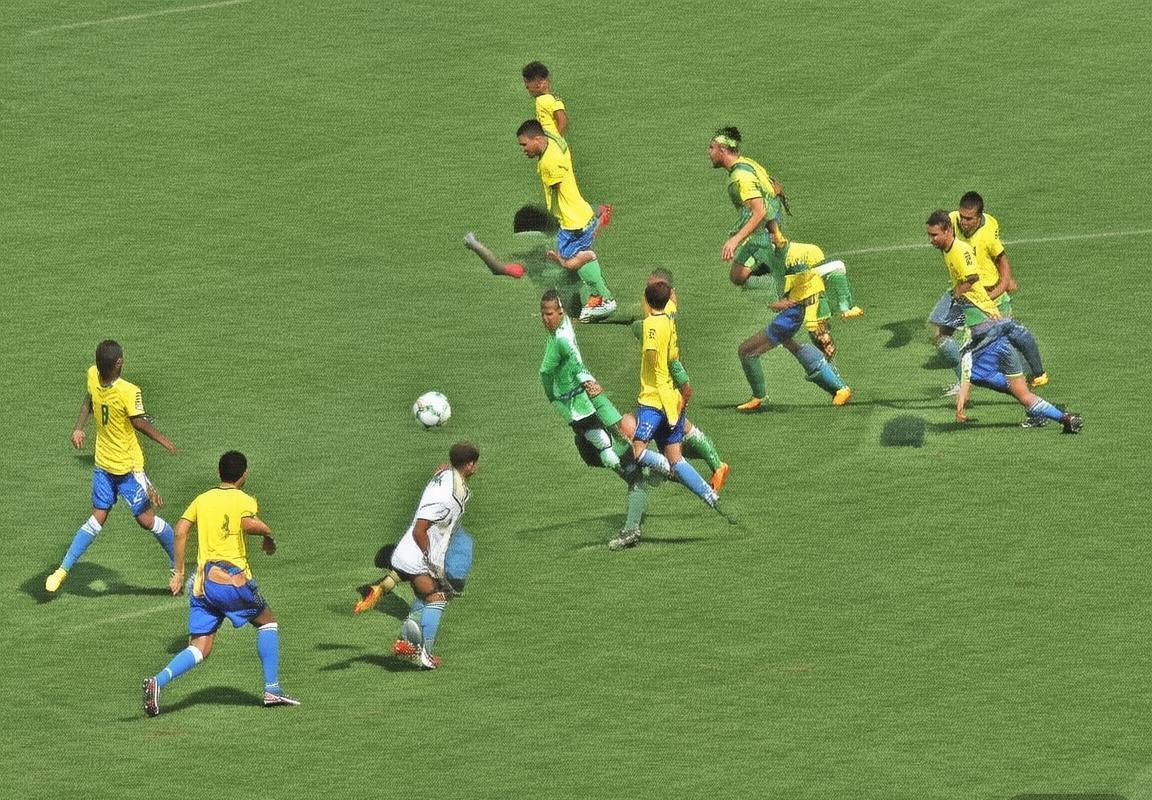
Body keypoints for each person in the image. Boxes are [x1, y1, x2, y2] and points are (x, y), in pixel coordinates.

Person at [143, 451, 299, 716]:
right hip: (231, 580)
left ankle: (158, 681)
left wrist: (178, 572)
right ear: (244, 474)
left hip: (202, 584)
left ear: (219, 473)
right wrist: (268, 534)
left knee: (200, 647)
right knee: (267, 622)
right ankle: (272, 690)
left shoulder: (202, 499)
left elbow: (180, 530)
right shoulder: (244, 499)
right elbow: (247, 523)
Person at [924, 210, 1079, 432]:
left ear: (948, 230)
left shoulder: (959, 251)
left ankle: (1033, 376)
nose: (931, 240)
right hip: (996, 333)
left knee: (973, 372)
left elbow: (972, 278)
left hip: (986, 332)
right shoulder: (950, 246)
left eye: (934, 235)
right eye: (929, 235)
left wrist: (961, 401)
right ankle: (1065, 418)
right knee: (1021, 393)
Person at [46, 340, 178, 593]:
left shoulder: (92, 374)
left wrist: (78, 427)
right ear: (119, 363)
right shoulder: (129, 391)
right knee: (100, 519)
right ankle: (62, 570)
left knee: (146, 521)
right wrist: (164, 440)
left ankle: (177, 566)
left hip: (120, 469)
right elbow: (137, 422)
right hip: (118, 468)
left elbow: (89, 400)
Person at [708, 127, 864, 320]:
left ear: (723, 150)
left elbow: (759, 211)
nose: (709, 152)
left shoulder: (741, 176)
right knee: (740, 276)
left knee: (740, 276)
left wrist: (736, 239)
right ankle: (789, 287)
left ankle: (818, 275)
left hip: (763, 234)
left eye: (711, 147)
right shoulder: (747, 163)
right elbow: (775, 188)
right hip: (768, 230)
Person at [632, 281, 735, 523]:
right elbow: (672, 358)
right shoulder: (669, 318)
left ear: (647, 301)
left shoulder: (650, 326)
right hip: (673, 399)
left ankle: (663, 467)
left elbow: (652, 355)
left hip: (654, 400)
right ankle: (711, 497)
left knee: (638, 451)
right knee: (677, 459)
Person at [389, 442, 480, 669]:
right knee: (437, 598)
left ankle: (405, 644)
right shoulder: (445, 498)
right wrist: (430, 562)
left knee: (425, 598)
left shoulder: (447, 475)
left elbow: (444, 472)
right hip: (417, 557)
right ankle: (424, 654)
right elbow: (420, 530)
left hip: (415, 554)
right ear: (470, 465)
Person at [517, 119, 616, 321]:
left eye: (525, 144)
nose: (523, 150)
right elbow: (553, 131)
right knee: (570, 258)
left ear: (537, 139)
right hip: (579, 214)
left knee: (573, 259)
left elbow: (554, 187)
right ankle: (594, 297)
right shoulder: (554, 140)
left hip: (573, 223)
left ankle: (603, 298)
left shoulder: (548, 163)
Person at [734, 242, 854, 410]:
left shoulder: (783, 260)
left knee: (747, 351)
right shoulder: (775, 260)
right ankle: (840, 389)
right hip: (797, 312)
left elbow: (827, 270)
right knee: (793, 344)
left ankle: (758, 397)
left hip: (793, 314)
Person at [951, 191, 1047, 384]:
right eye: (962, 217)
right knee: (993, 340)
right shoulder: (952, 220)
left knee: (1005, 338)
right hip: (973, 295)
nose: (964, 222)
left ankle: (1036, 374)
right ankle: (1029, 375)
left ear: (979, 217)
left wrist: (1004, 283)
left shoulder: (988, 232)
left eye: (969, 219)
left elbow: (1001, 258)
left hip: (992, 294)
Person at [539, 289, 621, 470]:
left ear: (561, 312)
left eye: (549, 314)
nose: (545, 319)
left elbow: (546, 372)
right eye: (543, 314)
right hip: (579, 394)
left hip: (579, 397)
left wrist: (553, 396)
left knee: (604, 439)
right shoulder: (562, 329)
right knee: (608, 436)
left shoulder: (559, 339)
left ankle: (629, 468)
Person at [522, 61, 567, 138]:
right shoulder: (550, 99)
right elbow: (562, 122)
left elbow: (562, 122)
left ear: (538, 83)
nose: (526, 86)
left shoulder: (546, 100)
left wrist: (553, 142)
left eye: (527, 82)